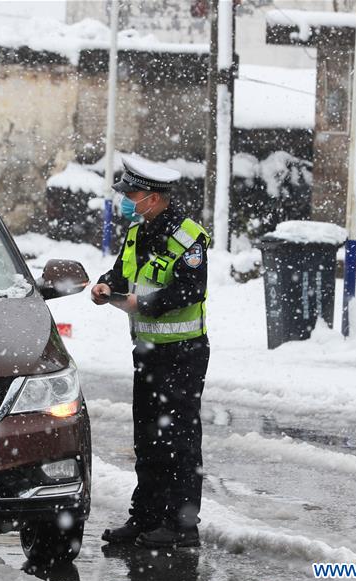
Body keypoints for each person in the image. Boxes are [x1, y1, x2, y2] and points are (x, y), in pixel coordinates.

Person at [93, 155, 210, 549]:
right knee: (148, 439)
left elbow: (190, 290)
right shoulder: (137, 230)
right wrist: (106, 286)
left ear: (155, 197)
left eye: (133, 193)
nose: (127, 200)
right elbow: (123, 274)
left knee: (178, 440)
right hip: (146, 351)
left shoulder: (187, 237)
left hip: (182, 352)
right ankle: (146, 518)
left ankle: (181, 526)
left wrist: (143, 304)